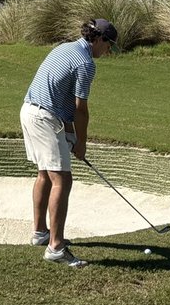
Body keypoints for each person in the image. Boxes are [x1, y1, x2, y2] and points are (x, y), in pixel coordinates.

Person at [19, 18, 118, 268]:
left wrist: (71, 135)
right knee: (62, 179)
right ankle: (56, 247)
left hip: (29, 111)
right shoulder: (86, 63)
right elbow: (80, 109)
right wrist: (82, 143)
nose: (108, 51)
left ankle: (41, 233)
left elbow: (62, 99)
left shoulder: (64, 48)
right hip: (44, 118)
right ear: (98, 39)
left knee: (44, 174)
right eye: (109, 45)